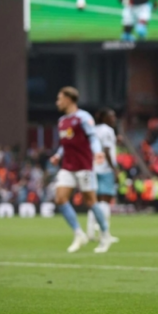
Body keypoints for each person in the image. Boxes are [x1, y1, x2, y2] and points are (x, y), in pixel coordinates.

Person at [50, 87, 117, 253]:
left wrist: (98, 152)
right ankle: (79, 233)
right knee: (60, 199)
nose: (57, 102)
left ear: (69, 99)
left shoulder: (83, 118)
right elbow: (66, 143)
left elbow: (92, 137)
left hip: (84, 166)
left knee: (91, 202)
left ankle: (105, 234)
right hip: (67, 166)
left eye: (60, 99)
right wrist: (58, 155)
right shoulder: (62, 121)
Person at [87, 108, 120, 242]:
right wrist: (114, 169)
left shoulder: (93, 129)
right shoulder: (108, 130)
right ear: (104, 118)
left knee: (95, 201)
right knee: (105, 202)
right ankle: (104, 233)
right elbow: (106, 150)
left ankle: (90, 232)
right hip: (105, 169)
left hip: (92, 168)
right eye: (111, 116)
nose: (114, 119)